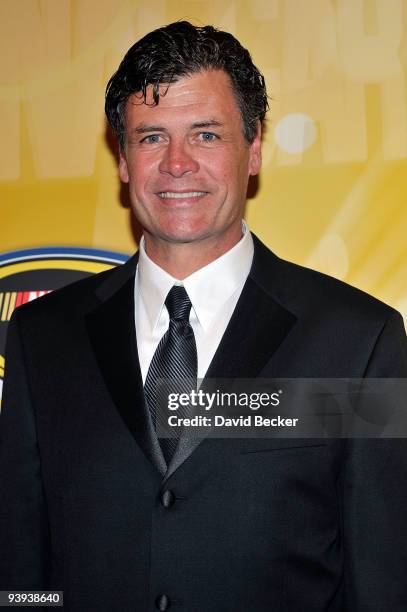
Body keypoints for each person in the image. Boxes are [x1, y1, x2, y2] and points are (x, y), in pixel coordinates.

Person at [1, 20, 407, 612]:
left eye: (207, 135)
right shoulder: (43, 337)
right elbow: (20, 570)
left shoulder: (359, 342)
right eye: (151, 138)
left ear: (255, 148)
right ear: (122, 160)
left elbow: (384, 581)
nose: (177, 164)